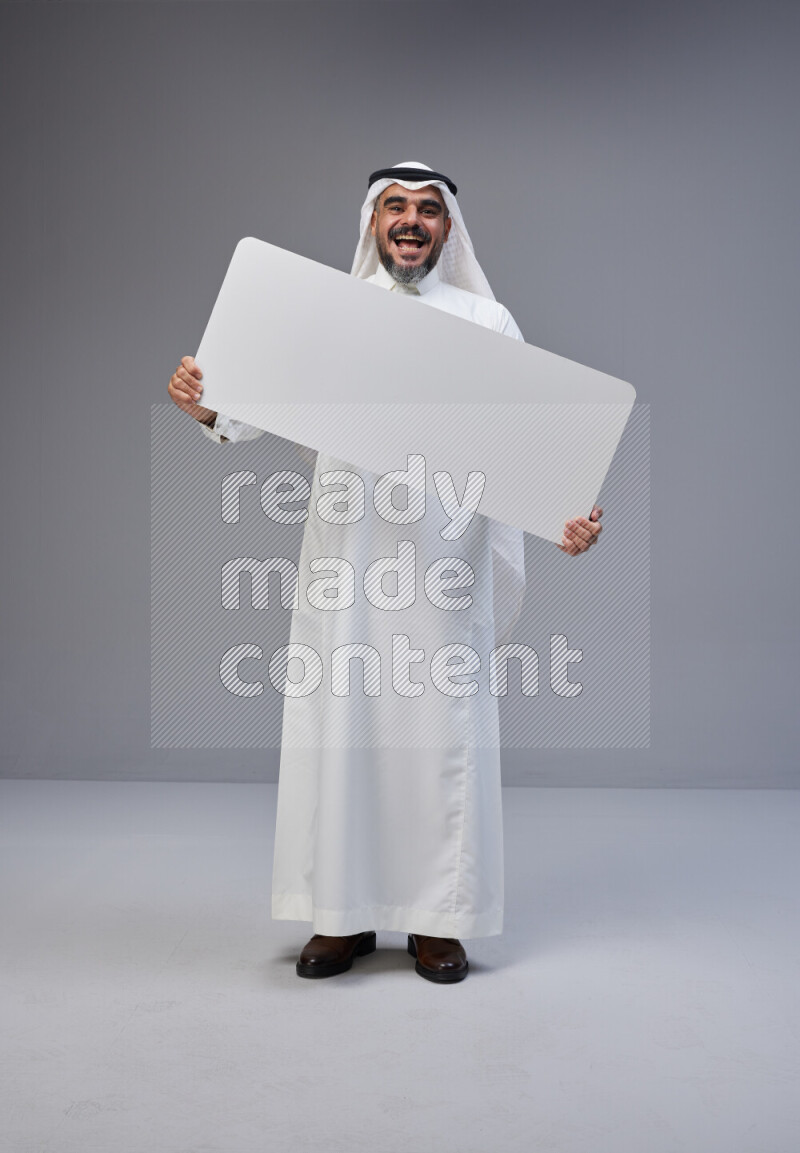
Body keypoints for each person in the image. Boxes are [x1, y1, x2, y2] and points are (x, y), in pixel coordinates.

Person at [167, 161, 603, 984]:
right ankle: (344, 916)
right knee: (344, 734)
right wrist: (207, 406)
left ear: (448, 230)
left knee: (439, 740)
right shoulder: (332, 315)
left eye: (428, 211)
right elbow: (251, 403)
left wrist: (565, 518)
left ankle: (439, 921)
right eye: (395, 208)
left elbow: (529, 443)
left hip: (443, 567)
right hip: (350, 555)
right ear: (372, 223)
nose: (410, 221)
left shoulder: (487, 319)